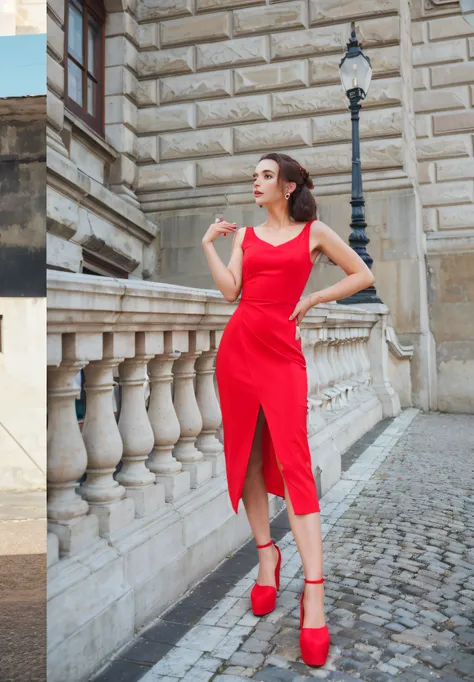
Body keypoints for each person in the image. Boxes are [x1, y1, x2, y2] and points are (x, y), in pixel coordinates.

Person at [201, 152, 375, 666]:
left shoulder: (314, 231)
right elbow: (232, 292)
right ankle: (266, 558)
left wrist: (316, 298)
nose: (256, 183)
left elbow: (361, 274)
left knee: (294, 462)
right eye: (254, 176)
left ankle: (314, 592)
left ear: (290, 185)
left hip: (283, 355)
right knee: (248, 457)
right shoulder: (245, 237)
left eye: (266, 176)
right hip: (238, 351)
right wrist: (211, 245)